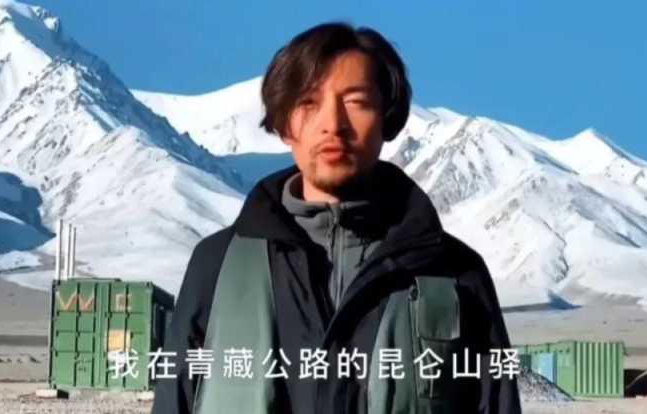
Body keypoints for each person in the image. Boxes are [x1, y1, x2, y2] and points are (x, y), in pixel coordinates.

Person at [151, 22, 521, 414]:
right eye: (309, 102)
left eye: (356, 102)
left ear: (388, 118)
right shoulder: (218, 266)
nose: (333, 124)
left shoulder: (456, 273)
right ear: (284, 124)